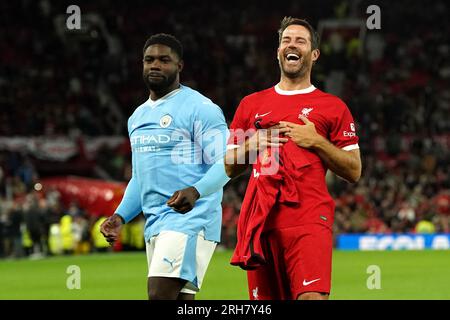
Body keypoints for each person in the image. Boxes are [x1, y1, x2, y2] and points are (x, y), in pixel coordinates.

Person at [224, 17, 362, 300]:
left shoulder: (333, 107)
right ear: (277, 51)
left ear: (314, 54)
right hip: (261, 222)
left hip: (309, 218)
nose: (292, 45)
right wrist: (254, 143)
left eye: (301, 41)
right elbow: (229, 165)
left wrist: (316, 141)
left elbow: (354, 170)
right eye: (286, 40)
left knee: (311, 298)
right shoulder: (250, 104)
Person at [100, 33, 230, 300]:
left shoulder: (201, 108)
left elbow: (228, 160)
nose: (155, 65)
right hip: (156, 222)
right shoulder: (137, 117)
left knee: (159, 295)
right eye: (149, 60)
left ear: (179, 66)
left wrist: (195, 190)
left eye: (164, 60)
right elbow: (140, 178)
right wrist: (120, 216)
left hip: (191, 219)